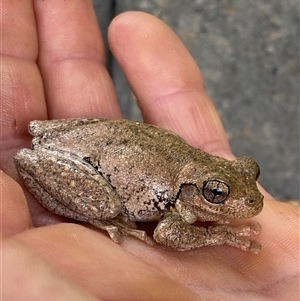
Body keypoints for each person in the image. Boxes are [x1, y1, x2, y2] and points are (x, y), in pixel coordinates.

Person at [1, 2, 298, 300]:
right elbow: (168, 233)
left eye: (250, 171)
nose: (248, 197)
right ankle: (96, 213)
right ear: (196, 192)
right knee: (106, 207)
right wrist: (215, 234)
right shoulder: (181, 199)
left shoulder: (195, 178)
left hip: (89, 139)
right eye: (217, 194)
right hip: (82, 160)